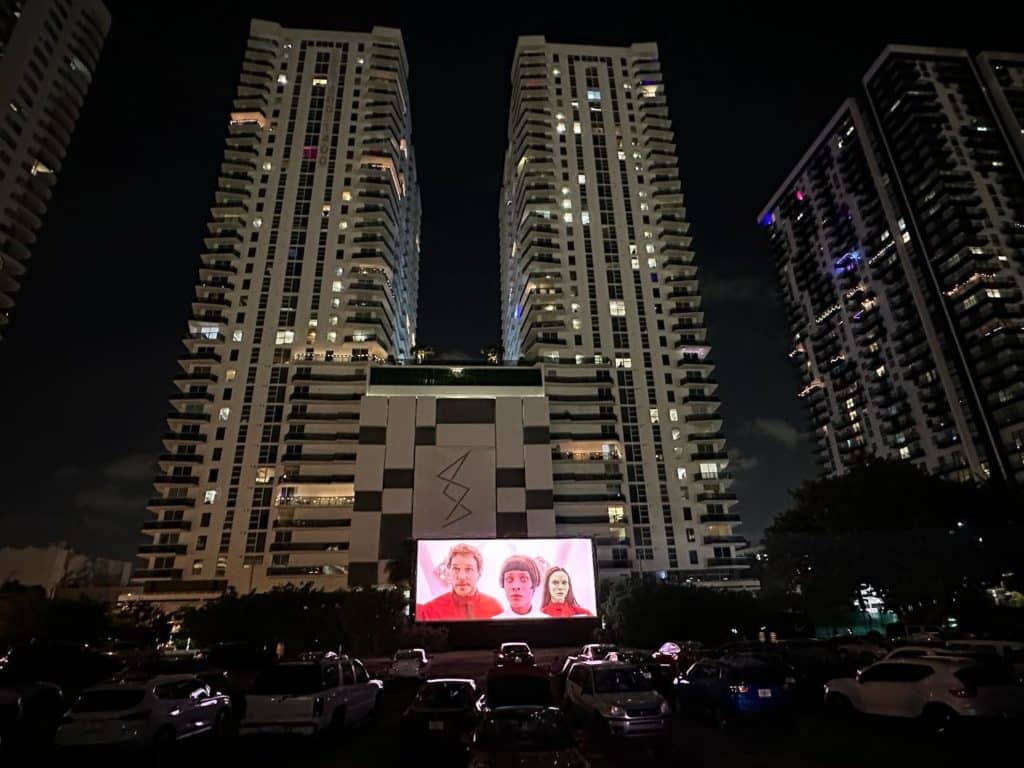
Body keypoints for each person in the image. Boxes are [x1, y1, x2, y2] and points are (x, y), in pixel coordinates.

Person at [416, 543, 503, 621]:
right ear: (449, 572)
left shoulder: (495, 607)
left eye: (469, 569)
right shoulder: (430, 611)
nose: (461, 577)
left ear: (479, 573)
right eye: (456, 569)